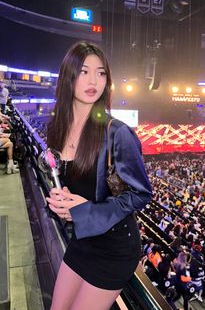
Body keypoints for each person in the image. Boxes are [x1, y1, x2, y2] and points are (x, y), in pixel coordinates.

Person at [46, 41, 152, 310]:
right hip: (82, 241)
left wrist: (84, 211)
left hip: (114, 247)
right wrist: (63, 199)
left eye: (101, 72)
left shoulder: (118, 133)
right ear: (68, 76)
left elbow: (141, 193)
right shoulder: (57, 128)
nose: (94, 80)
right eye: (84, 71)